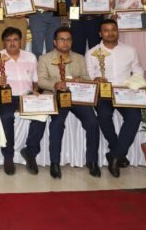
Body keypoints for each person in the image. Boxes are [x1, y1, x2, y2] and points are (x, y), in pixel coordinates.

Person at [37, 27, 101, 179]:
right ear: (55, 42)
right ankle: (55, 163)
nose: (65, 42)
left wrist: (81, 80)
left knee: (93, 122)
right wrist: (55, 85)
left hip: (77, 97)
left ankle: (92, 161)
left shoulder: (79, 58)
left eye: (68, 39)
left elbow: (87, 78)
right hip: (56, 96)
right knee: (57, 124)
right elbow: (41, 81)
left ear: (72, 42)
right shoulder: (45, 58)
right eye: (61, 39)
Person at [86, 19, 144, 178]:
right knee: (104, 115)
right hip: (103, 93)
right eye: (106, 30)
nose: (110, 33)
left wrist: (132, 85)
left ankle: (115, 156)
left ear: (118, 31)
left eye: (113, 29)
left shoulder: (130, 50)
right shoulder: (92, 52)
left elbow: (138, 71)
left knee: (135, 117)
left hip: (125, 92)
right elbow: (89, 75)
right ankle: (116, 151)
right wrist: (95, 80)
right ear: (100, 33)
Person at [0, 27, 39, 176]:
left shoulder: (30, 57)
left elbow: (35, 81)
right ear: (3, 42)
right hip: (6, 96)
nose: (12, 43)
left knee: (41, 116)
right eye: (8, 40)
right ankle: (8, 156)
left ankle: (30, 152)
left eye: (15, 39)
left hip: (27, 95)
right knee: (6, 117)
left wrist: (36, 90)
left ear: (21, 41)